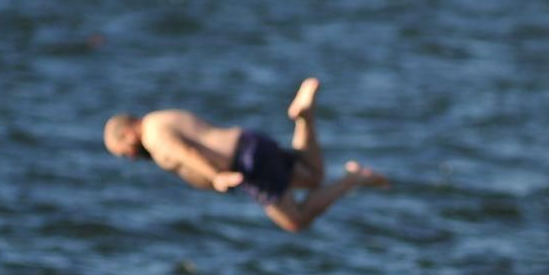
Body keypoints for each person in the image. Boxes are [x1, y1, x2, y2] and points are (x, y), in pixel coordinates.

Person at [103, 77, 388, 233]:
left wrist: (216, 177)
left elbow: (184, 152)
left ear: (127, 133)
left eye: (123, 151)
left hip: (243, 164)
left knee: (295, 221)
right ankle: (305, 118)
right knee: (313, 176)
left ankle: (352, 179)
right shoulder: (160, 118)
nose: (130, 157)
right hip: (249, 144)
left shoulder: (152, 134)